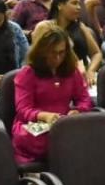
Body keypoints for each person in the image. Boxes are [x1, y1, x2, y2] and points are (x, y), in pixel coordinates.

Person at [10, 22, 93, 166]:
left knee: (89, 135)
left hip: (64, 122)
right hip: (33, 126)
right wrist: (44, 116)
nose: (57, 58)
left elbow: (84, 98)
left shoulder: (71, 71)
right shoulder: (27, 74)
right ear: (42, 51)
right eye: (53, 53)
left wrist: (78, 110)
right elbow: (23, 110)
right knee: (63, 142)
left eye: (62, 53)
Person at [51, 0, 102, 86]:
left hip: (82, 77)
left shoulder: (81, 27)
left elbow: (96, 53)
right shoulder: (48, 28)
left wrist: (91, 70)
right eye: (74, 3)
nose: (79, 7)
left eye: (79, 4)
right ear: (60, 5)